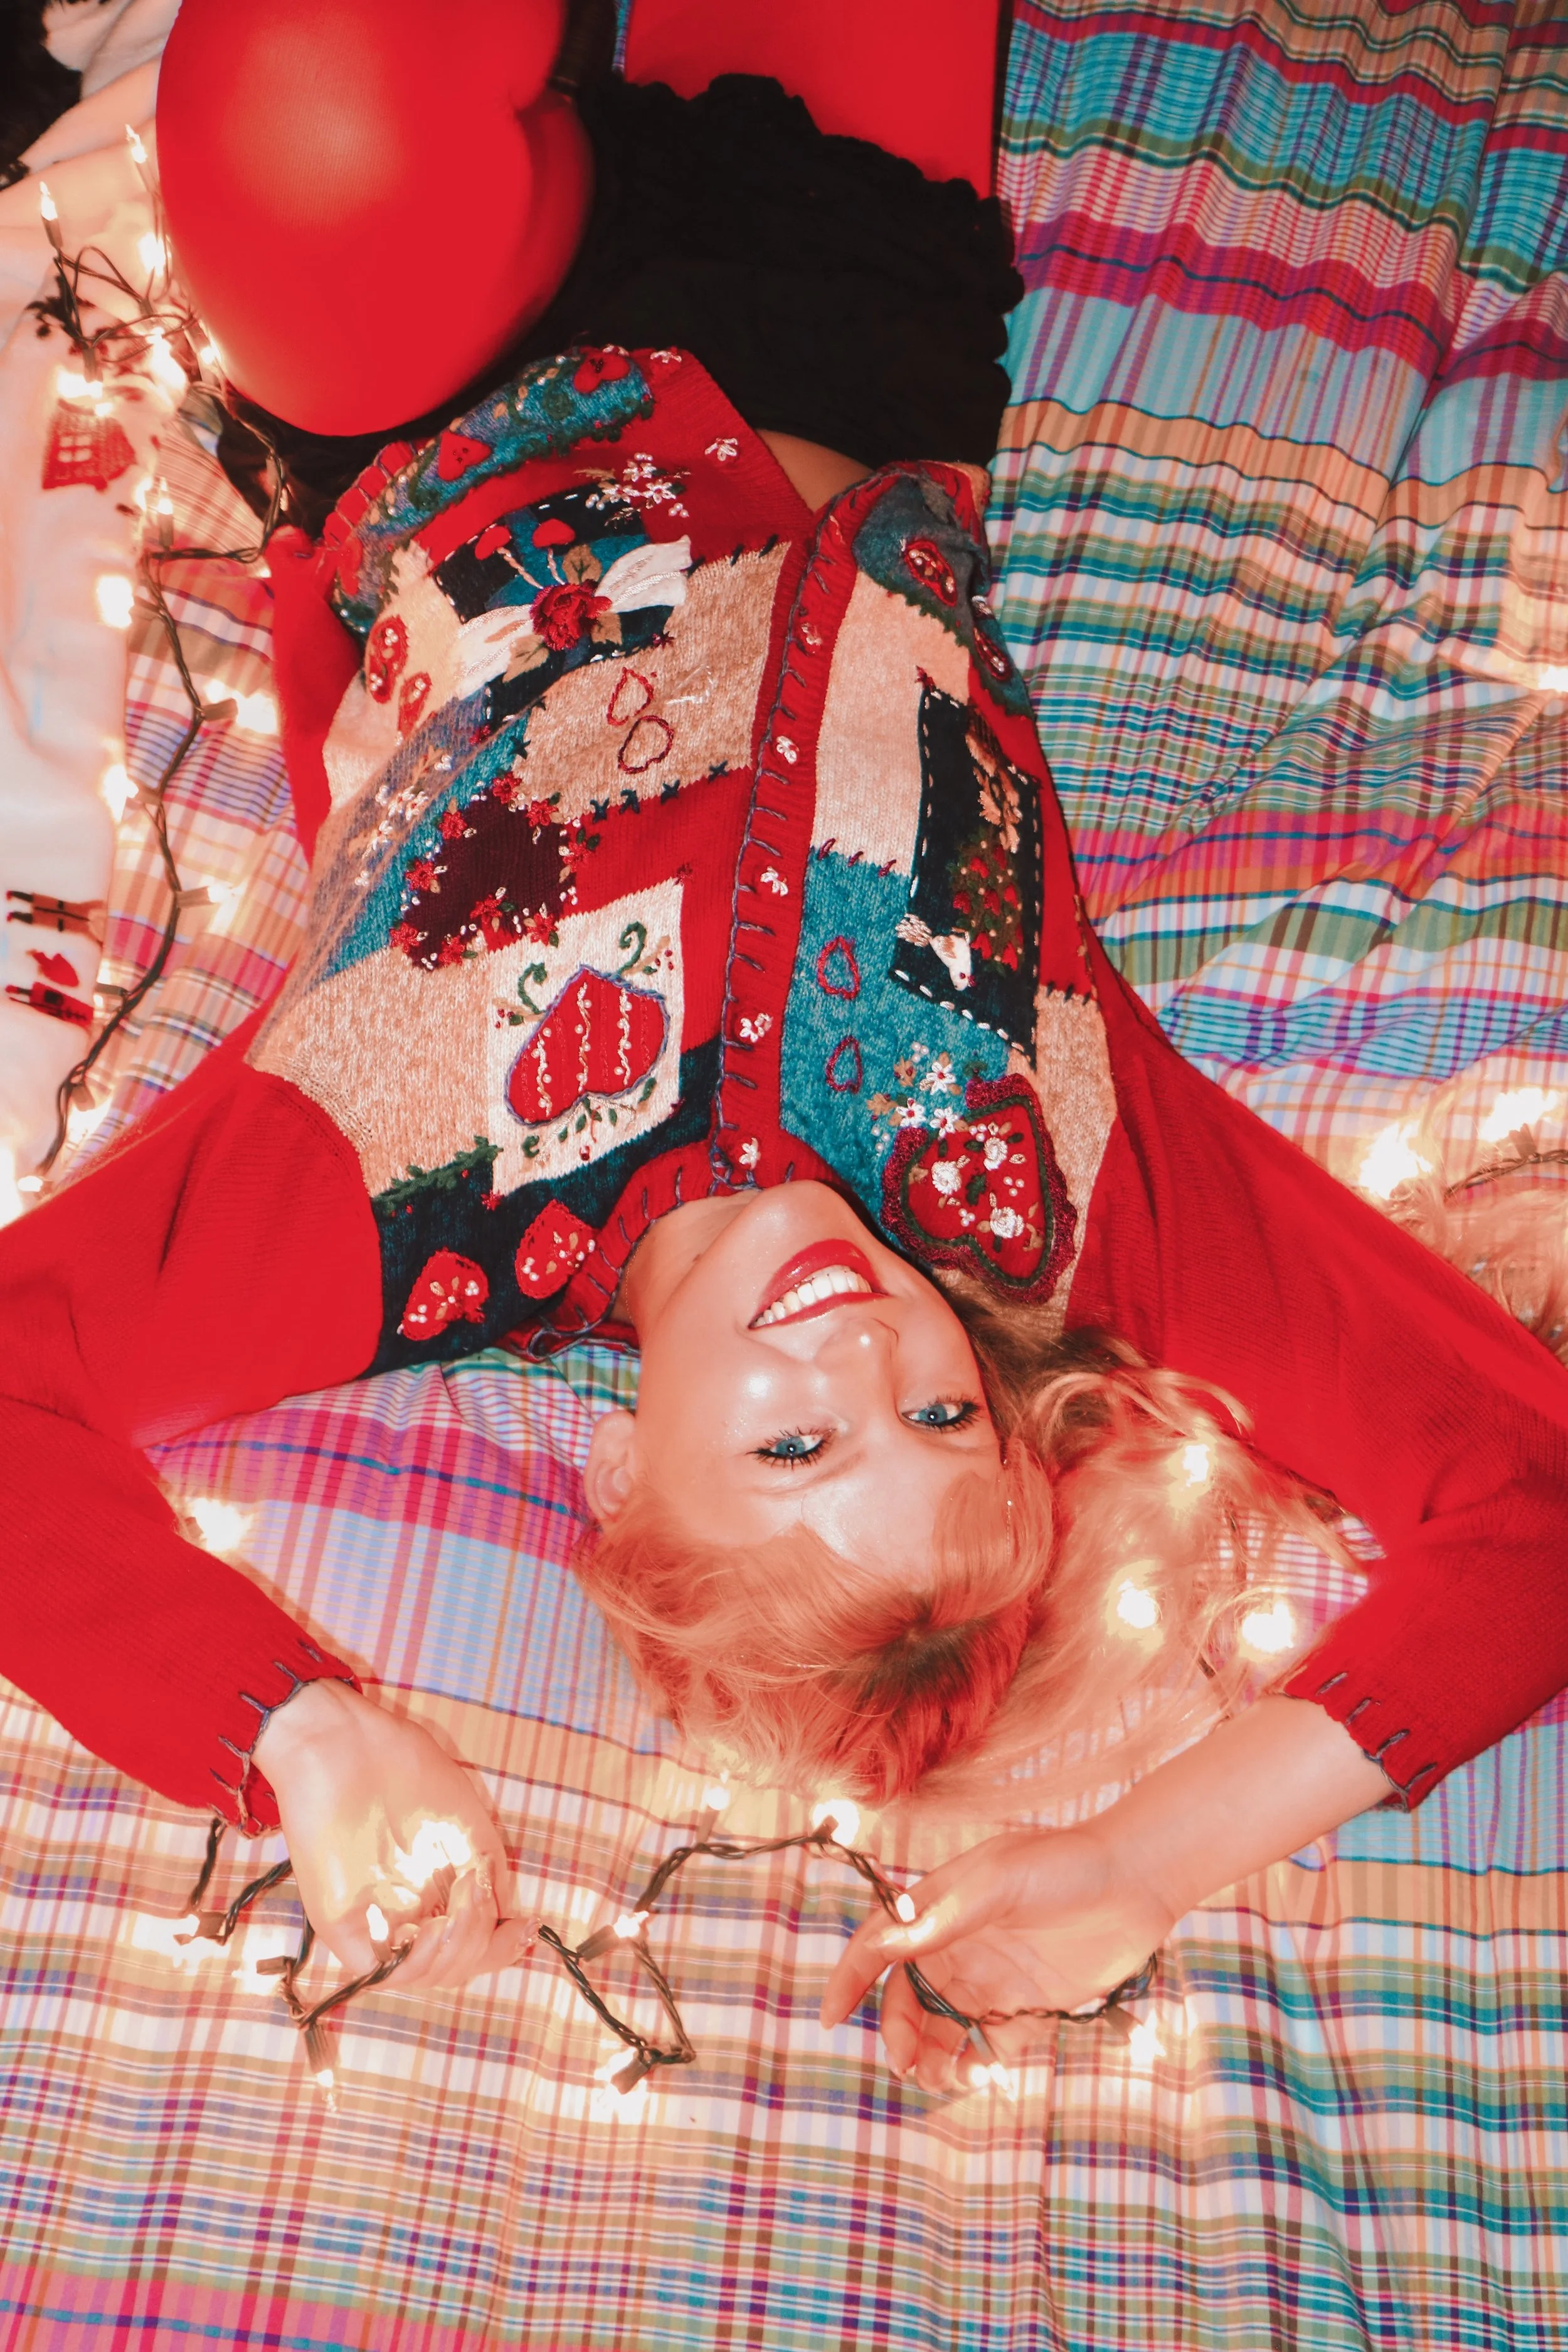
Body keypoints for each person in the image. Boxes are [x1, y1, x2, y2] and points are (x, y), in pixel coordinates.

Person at [4, 0, 1568, 2087]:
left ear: (627, 1489)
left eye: (791, 1446)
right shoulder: (1069, 1189)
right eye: (938, 1421)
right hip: (844, 304)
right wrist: (1132, 1862)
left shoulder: (385, 1224)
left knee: (301, 98)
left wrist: (298, 1733)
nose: (860, 1351)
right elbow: (1532, 1502)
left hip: (421, 368)